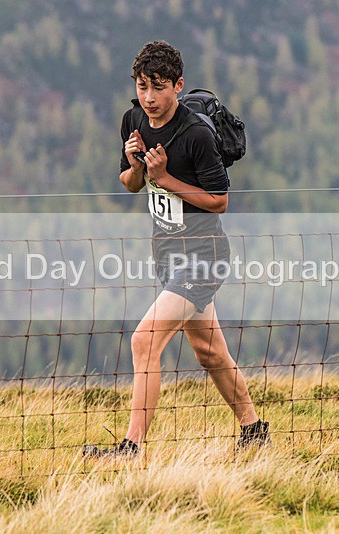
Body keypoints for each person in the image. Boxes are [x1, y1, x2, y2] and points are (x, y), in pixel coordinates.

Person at [83, 40, 269, 457]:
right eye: (142, 86)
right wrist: (135, 166)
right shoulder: (133, 119)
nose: (149, 97)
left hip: (204, 258)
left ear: (178, 86)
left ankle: (130, 447)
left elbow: (219, 200)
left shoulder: (197, 135)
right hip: (167, 255)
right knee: (210, 353)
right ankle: (254, 431)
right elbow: (130, 185)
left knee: (143, 341)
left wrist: (167, 180)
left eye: (159, 87)